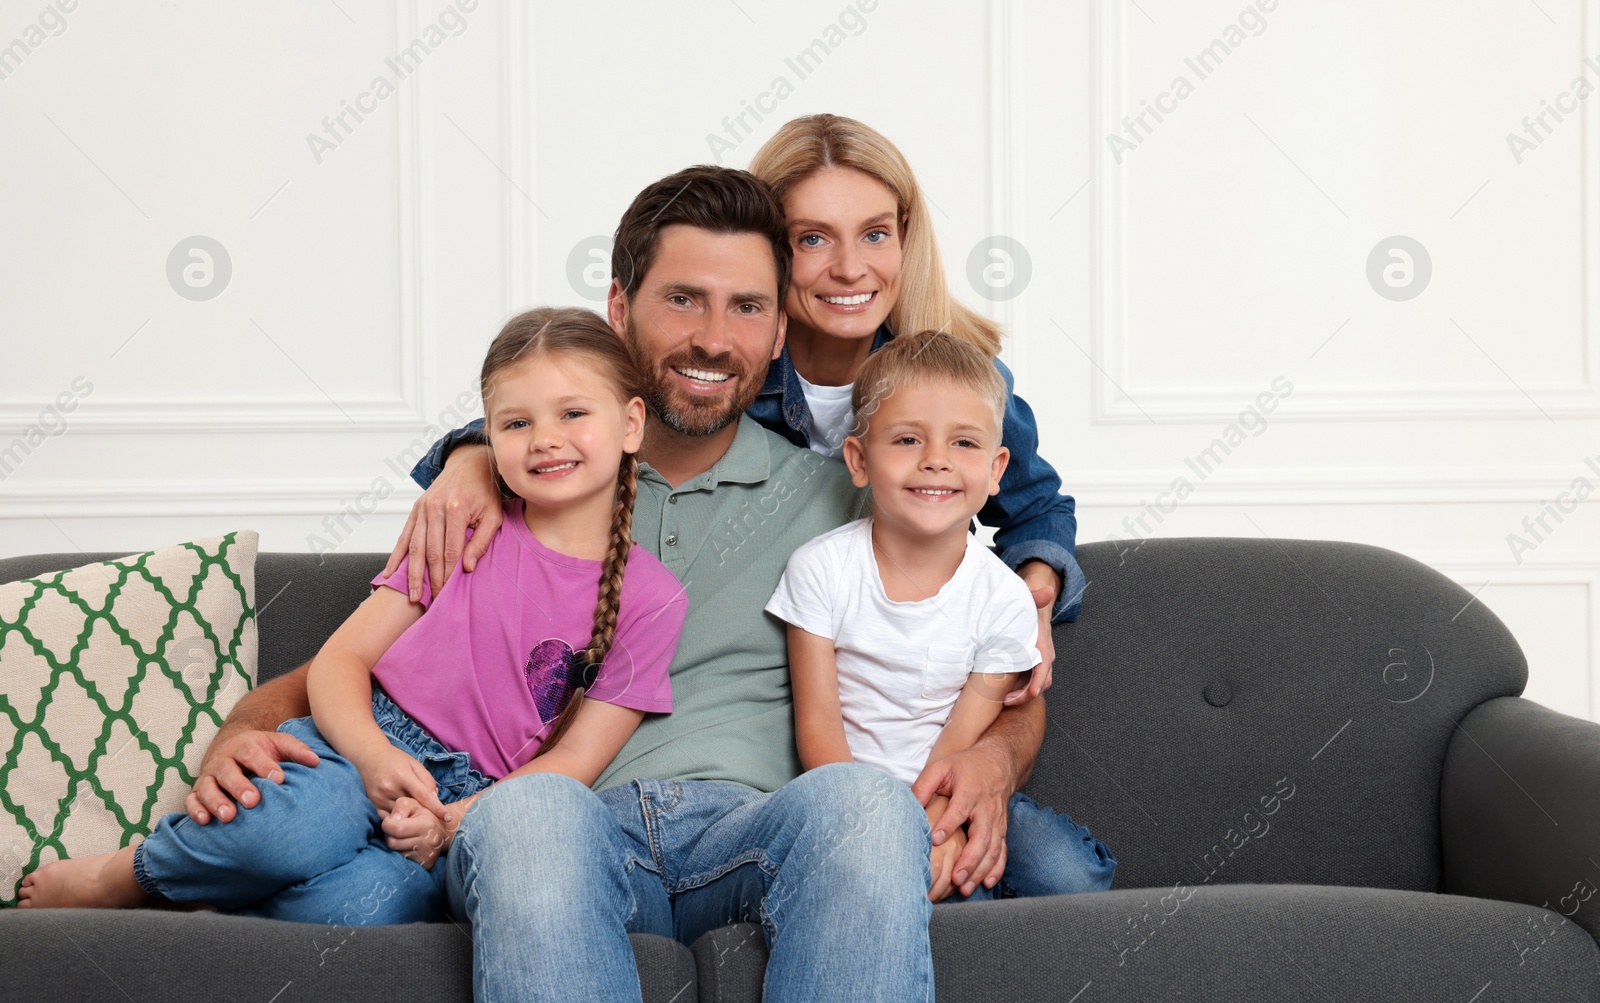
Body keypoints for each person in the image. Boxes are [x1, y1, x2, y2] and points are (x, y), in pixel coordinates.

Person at [179, 166, 1048, 1002]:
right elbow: (399, 663)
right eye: (682, 298)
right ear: (620, 308)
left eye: (747, 305)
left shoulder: (845, 493)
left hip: (749, 831)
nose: (714, 336)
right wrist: (247, 724)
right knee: (534, 815)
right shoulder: (527, 487)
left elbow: (990, 642)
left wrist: (993, 759)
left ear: (779, 331)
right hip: (563, 830)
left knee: (863, 802)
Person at [18, 308, 687, 925]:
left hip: (469, 805)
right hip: (359, 743)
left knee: (369, 910)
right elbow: (343, 660)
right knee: (297, 826)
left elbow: (575, 758)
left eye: (573, 413)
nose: (545, 439)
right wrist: (371, 756)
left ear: (631, 424)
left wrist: (452, 823)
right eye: (516, 423)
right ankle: (129, 873)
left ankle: (222, 889)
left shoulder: (652, 598)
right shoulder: (466, 526)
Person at [768, 331, 1115, 904]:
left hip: (955, 784)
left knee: (1070, 873)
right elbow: (818, 727)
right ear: (858, 459)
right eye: (907, 439)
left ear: (998, 468)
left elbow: (961, 738)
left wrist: (937, 825)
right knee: (951, 893)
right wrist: (882, 830)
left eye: (964, 444)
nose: (936, 461)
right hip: (849, 793)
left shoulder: (1005, 598)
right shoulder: (820, 569)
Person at [747, 113, 1086, 667]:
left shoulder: (964, 378)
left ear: (905, 234)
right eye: (812, 239)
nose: (851, 269)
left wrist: (1035, 596)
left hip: (919, 680)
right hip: (765, 669)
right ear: (767, 248)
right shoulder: (730, 383)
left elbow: (1038, 509)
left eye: (875, 234)